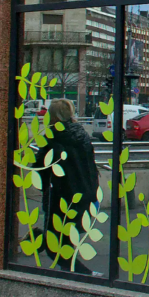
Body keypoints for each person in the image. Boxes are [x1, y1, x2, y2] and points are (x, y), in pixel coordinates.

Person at [38, 99, 100, 275]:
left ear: (53, 117)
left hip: (61, 197)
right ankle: (71, 274)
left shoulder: (53, 138)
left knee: (55, 245)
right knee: (65, 239)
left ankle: (85, 274)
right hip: (83, 194)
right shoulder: (81, 135)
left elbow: (40, 169)